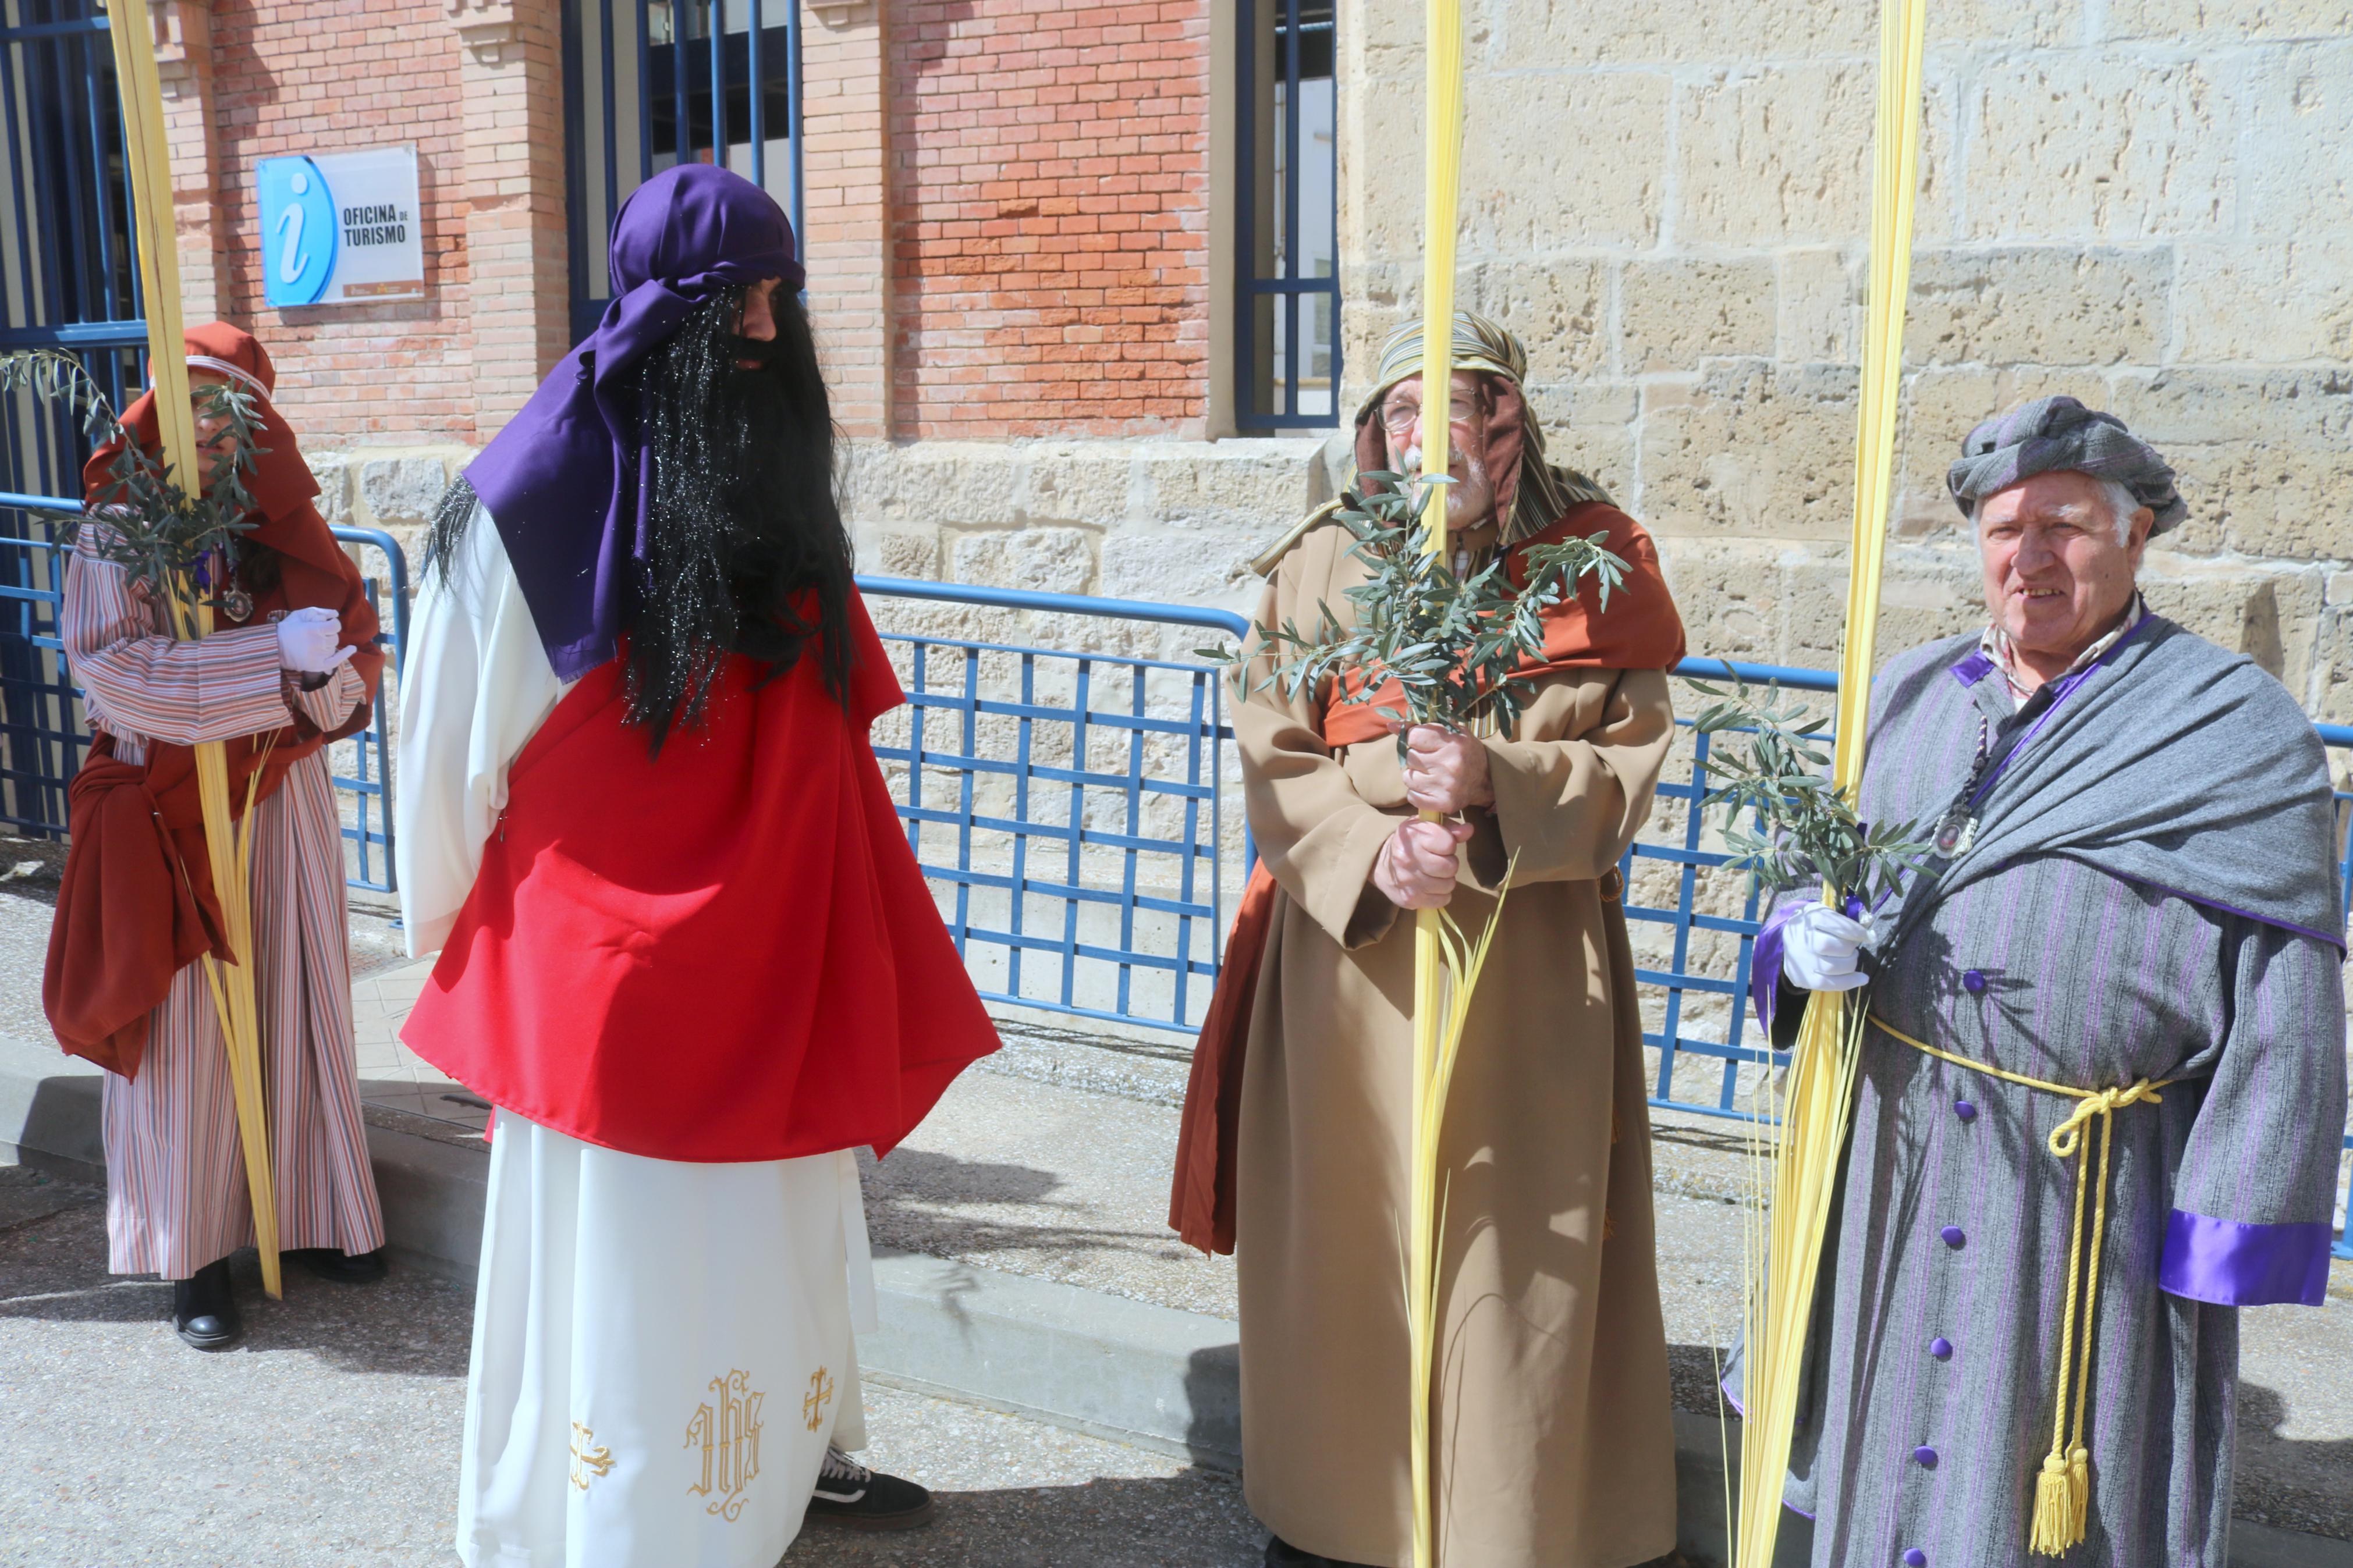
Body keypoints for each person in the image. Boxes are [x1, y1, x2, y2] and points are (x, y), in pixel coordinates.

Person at [394, 164, 999, 1568]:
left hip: (772, 937)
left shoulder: (778, 480)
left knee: (785, 1230)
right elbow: (451, 736)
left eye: (784, 298)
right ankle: (615, 1524)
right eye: (741, 304)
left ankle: (791, 1474)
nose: (773, 338)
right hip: (608, 973)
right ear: (666, 313)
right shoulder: (533, 491)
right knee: (629, 1275)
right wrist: (453, 924)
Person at [1755, 396, 2348, 1566]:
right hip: (1900, 1159)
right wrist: (1796, 943)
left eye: (2066, 527)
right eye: (2002, 530)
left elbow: (2288, 996)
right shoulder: (1906, 697)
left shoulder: (2233, 728)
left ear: (2137, 536)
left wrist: (2223, 1239)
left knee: (2062, 1481)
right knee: (1886, 1464)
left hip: (2094, 1207)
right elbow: (1797, 876)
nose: (2029, 560)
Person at [1172, 312, 1690, 1568]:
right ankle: (1343, 1526)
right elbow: (1272, 747)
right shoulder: (1326, 560)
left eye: (1464, 409)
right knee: (1357, 1245)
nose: (1432, 436)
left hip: (1529, 974)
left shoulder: (1596, 555)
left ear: (1511, 423)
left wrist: (1500, 779)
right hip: (1350, 972)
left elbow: (1631, 758)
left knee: (1516, 1265)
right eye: (1407, 411)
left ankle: (1516, 1531)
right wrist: (1371, 850)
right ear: (1374, 429)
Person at [45, 322, 390, 1350]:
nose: (211, 425)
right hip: (165, 801)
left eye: (231, 406)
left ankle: (317, 1215)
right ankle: (190, 1253)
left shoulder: (289, 527)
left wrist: (325, 678)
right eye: (192, 400)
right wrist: (264, 671)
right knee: (188, 1026)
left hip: (280, 803)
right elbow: (112, 670)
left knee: (298, 999)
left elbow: (357, 663)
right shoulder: (118, 527)